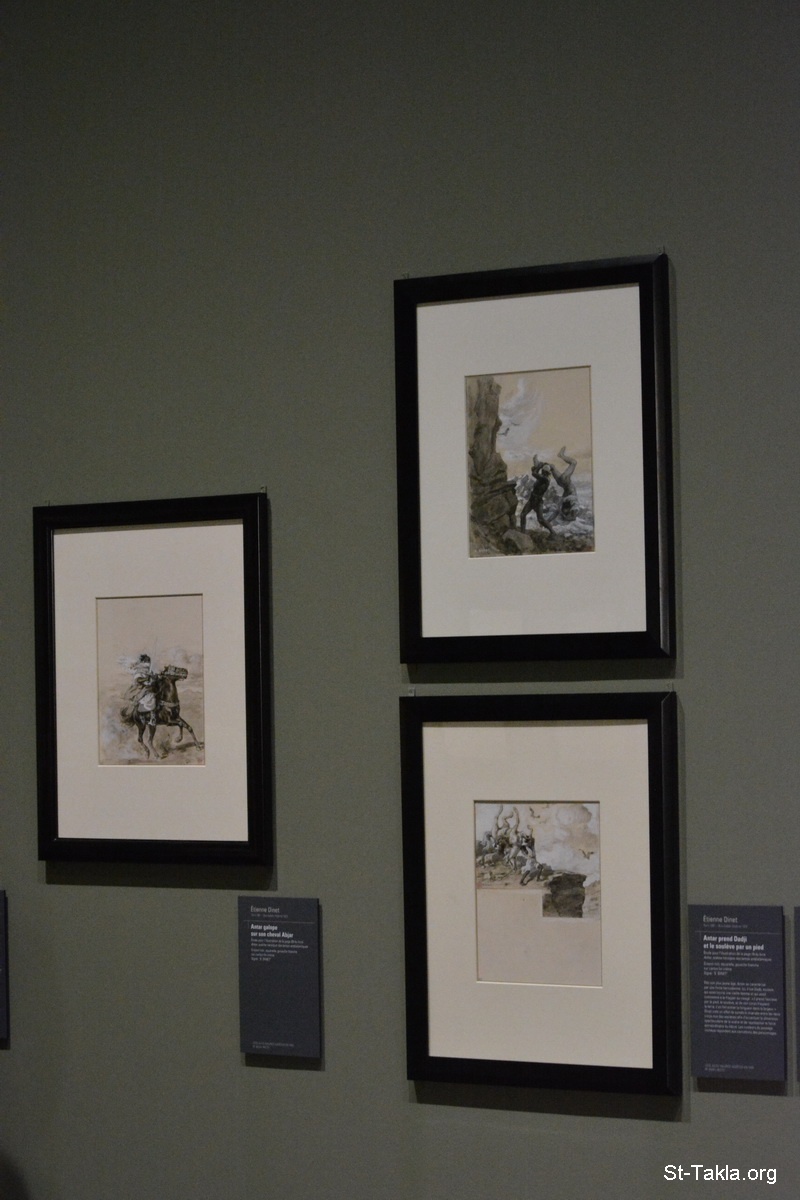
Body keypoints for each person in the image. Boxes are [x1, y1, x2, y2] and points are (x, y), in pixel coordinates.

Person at [518, 455, 555, 534]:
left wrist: (538, 467)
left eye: (543, 471)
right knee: (524, 515)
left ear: (544, 472)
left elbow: (534, 473)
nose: (542, 472)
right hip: (534, 499)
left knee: (540, 519)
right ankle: (522, 532)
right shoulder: (542, 478)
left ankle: (552, 532)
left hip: (537, 501)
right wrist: (537, 467)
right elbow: (535, 472)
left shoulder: (545, 479)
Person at [550, 446, 579, 518]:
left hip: (565, 481)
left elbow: (574, 510)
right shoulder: (563, 500)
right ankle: (539, 465)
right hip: (560, 483)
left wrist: (571, 515)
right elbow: (572, 513)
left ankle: (561, 455)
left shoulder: (572, 500)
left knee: (574, 462)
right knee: (552, 467)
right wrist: (568, 516)